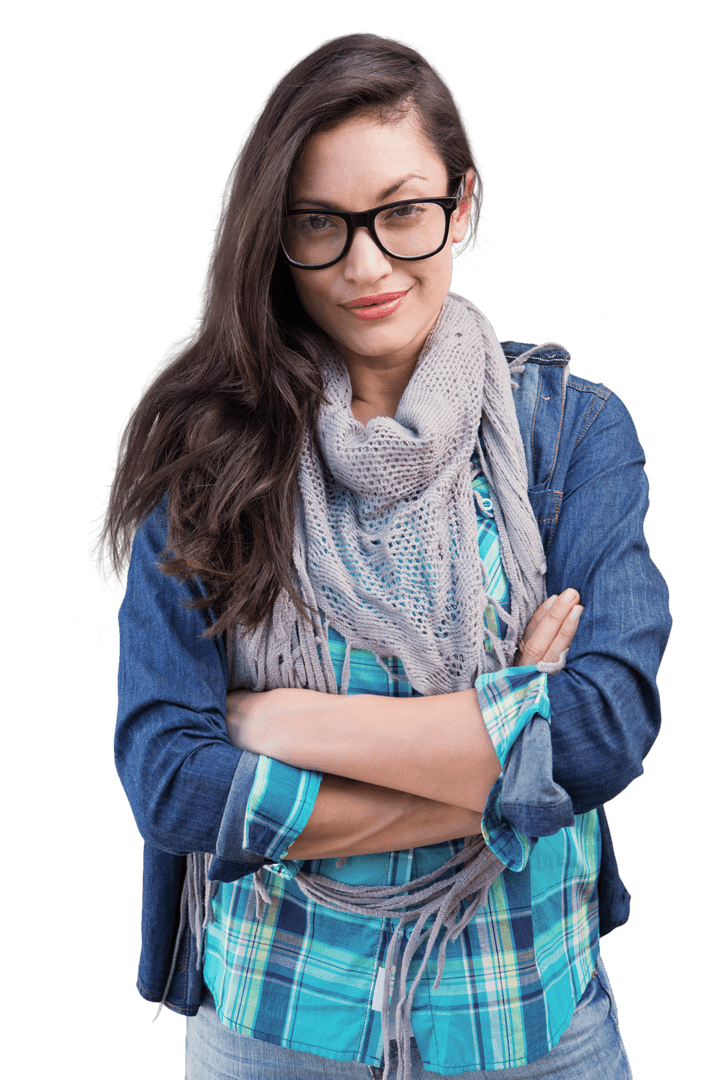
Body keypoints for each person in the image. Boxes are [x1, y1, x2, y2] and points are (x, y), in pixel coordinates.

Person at [93, 32, 670, 1080]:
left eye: (402, 211)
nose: (365, 264)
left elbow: (603, 730)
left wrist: (281, 722)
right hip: (277, 1027)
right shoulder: (209, 457)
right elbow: (173, 782)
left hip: (528, 1019)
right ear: (275, 236)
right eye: (320, 223)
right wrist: (500, 770)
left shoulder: (567, 438)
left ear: (462, 205)